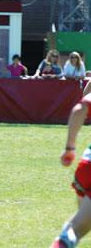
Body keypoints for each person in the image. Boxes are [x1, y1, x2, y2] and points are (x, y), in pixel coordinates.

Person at [50, 92, 91, 248]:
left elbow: (79, 109)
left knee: (77, 225)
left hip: (86, 166)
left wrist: (69, 148)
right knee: (79, 227)